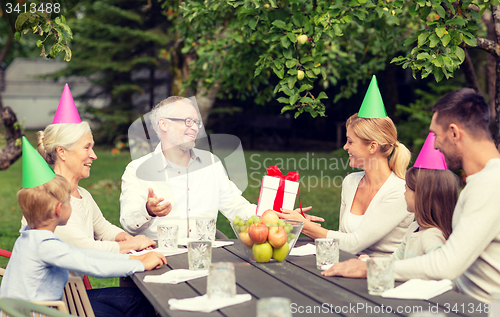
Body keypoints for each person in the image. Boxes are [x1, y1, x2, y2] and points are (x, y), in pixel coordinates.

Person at [323, 88, 500, 303]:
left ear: (454, 133)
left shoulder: (490, 184)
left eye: (436, 134)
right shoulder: (482, 182)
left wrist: (372, 268)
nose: (434, 143)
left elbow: (446, 263)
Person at [120, 97, 315, 239]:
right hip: (159, 261)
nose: (195, 128)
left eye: (196, 122)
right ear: (163, 124)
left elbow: (237, 208)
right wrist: (148, 210)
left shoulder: (210, 164)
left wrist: (277, 217)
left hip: (206, 259)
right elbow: (128, 223)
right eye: (187, 121)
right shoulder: (137, 169)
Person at [1, 173, 166, 317]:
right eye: (68, 201)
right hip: (40, 313)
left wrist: (134, 259)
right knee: (135, 305)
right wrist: (139, 264)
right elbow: (93, 265)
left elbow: (85, 254)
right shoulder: (46, 246)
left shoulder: (30, 238)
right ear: (59, 209)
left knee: (135, 298)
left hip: (31, 310)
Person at [280, 113, 414, 256]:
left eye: (350, 142)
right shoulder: (351, 182)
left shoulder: (400, 192)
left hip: (382, 273)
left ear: (372, 147)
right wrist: (304, 224)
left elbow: (353, 244)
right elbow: (342, 239)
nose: (345, 147)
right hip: (347, 268)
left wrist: (305, 226)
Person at [31, 122, 155, 253]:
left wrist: (128, 239)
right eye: (86, 148)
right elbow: (86, 249)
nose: (94, 156)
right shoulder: (48, 198)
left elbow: (104, 230)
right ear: (62, 152)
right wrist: (134, 245)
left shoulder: (83, 195)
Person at [387, 167, 458, 260]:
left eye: (406, 189)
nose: (404, 193)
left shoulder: (431, 236)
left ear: (420, 196)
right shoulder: (413, 228)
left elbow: (438, 268)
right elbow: (394, 260)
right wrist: (368, 263)